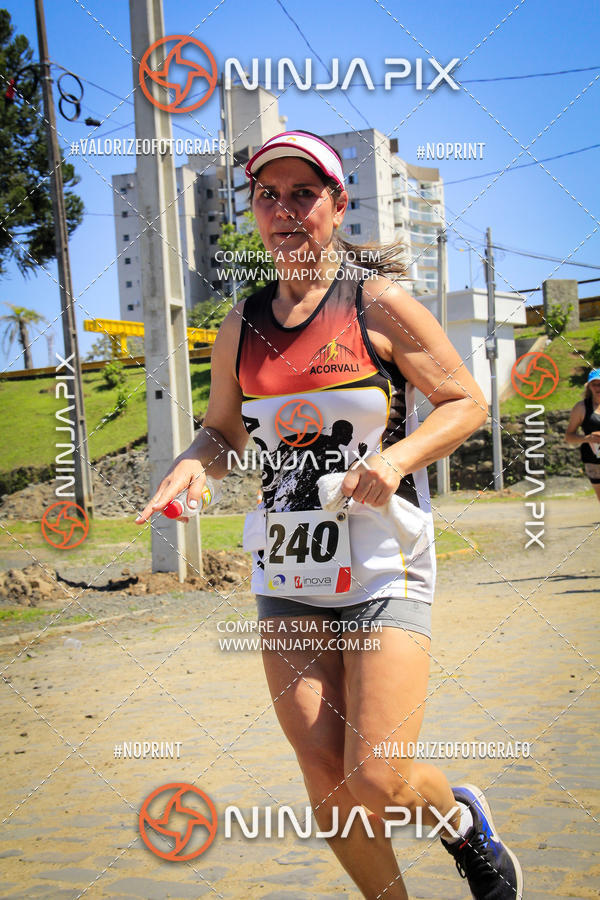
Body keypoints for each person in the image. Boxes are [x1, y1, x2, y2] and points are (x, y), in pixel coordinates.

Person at [136, 130, 523, 899]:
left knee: (376, 776)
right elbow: (223, 428)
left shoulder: (377, 304)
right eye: (268, 195)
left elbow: (465, 401)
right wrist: (193, 462)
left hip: (384, 559)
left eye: (303, 194)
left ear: (337, 204)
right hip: (289, 567)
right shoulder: (239, 326)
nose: (285, 210)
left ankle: (462, 824)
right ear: (252, 212)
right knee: (328, 782)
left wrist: (395, 460)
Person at [565, 368, 600, 502]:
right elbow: (569, 436)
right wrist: (587, 439)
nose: (598, 387)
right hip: (593, 460)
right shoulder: (581, 408)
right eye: (594, 384)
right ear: (589, 386)